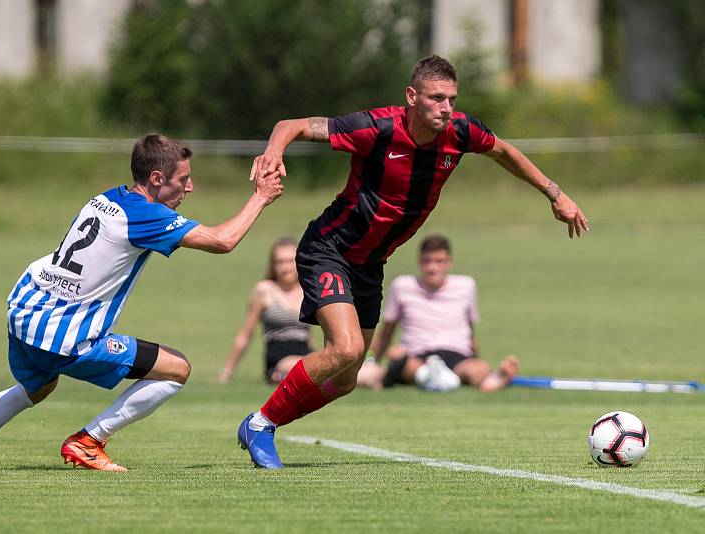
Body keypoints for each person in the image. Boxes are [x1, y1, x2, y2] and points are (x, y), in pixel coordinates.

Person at [237, 54, 589, 469]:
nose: (446, 108)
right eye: (436, 98)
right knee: (346, 348)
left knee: (347, 378)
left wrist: (555, 193)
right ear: (411, 96)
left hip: (370, 264)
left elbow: (504, 152)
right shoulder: (377, 127)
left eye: (451, 99)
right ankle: (261, 423)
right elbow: (290, 126)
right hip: (327, 249)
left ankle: (265, 422)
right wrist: (273, 154)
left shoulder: (461, 132)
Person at [0, 134, 283, 471]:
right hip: (62, 335)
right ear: (156, 178)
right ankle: (89, 441)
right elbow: (223, 240)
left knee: (38, 387)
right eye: (182, 179)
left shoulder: (108, 197)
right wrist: (261, 196)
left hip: (24, 312)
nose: (189, 187)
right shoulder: (146, 216)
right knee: (177, 369)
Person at [356, 234, 519, 392]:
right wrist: (371, 361)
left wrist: (475, 358)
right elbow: (386, 332)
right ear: (419, 262)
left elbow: (470, 332)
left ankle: (489, 379)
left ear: (449, 263)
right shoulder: (402, 286)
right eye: (427, 261)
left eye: (439, 261)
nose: (432, 267)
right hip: (418, 355)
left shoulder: (466, 285)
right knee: (398, 355)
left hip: (457, 354)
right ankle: (432, 375)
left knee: (479, 367)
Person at [219, 237, 312, 384]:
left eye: (290, 261)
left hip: (307, 356)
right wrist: (227, 372)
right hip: (279, 362)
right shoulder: (264, 290)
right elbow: (246, 334)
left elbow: (309, 335)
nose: (285, 267)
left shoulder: (308, 290)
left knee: (355, 372)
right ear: (273, 265)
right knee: (309, 368)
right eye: (280, 262)